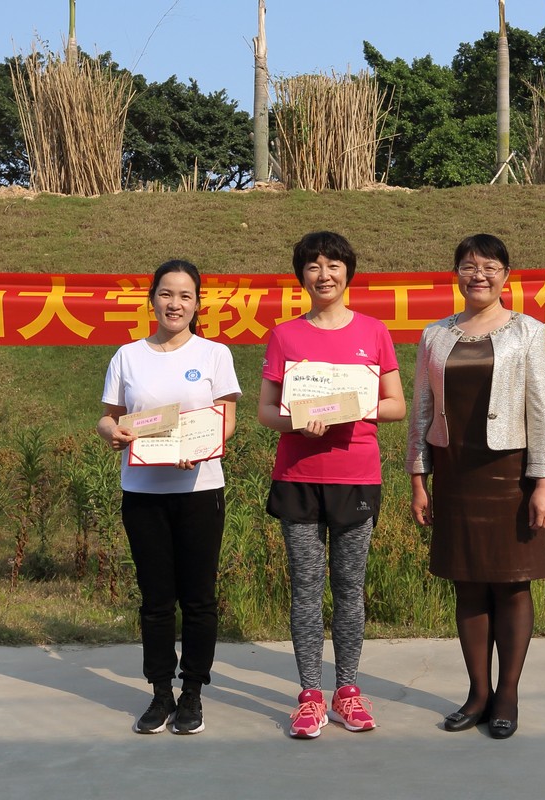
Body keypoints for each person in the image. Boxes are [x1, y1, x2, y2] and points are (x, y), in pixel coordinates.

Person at [405, 233, 545, 740]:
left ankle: (507, 694)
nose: (479, 275)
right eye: (469, 266)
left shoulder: (529, 332)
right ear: (456, 274)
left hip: (511, 473)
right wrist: (418, 478)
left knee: (512, 583)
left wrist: (543, 483)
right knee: (467, 582)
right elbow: (422, 409)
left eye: (490, 267)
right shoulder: (435, 335)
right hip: (455, 472)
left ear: (506, 276)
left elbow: (543, 412)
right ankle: (477, 693)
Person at [257, 231, 406, 739]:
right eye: (314, 266)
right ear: (301, 275)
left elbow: (395, 405)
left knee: (348, 587)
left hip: (355, 476)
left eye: (333, 265)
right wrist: (297, 422)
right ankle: (309, 695)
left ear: (348, 272)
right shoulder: (285, 335)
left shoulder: (374, 332)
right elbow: (266, 411)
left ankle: (347, 690)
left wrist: (352, 408)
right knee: (305, 587)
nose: (324, 275)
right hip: (298, 477)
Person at [97, 259, 241, 736]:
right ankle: (160, 692)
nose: (174, 304)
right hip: (143, 493)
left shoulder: (215, 354)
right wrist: (111, 432)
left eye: (184, 295)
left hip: (200, 489)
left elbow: (227, 418)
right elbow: (109, 416)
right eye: (165, 293)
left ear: (197, 303)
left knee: (199, 598)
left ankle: (193, 692)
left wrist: (201, 448)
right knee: (156, 599)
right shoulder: (128, 356)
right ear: (151, 300)